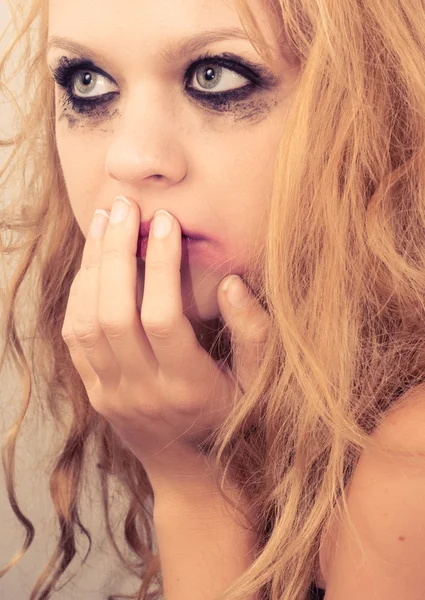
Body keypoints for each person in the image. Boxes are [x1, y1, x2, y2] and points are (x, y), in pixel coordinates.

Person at [1, 0, 425, 598]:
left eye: (214, 76)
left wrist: (198, 487)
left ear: (379, 103)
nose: (128, 158)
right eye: (87, 83)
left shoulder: (411, 459)